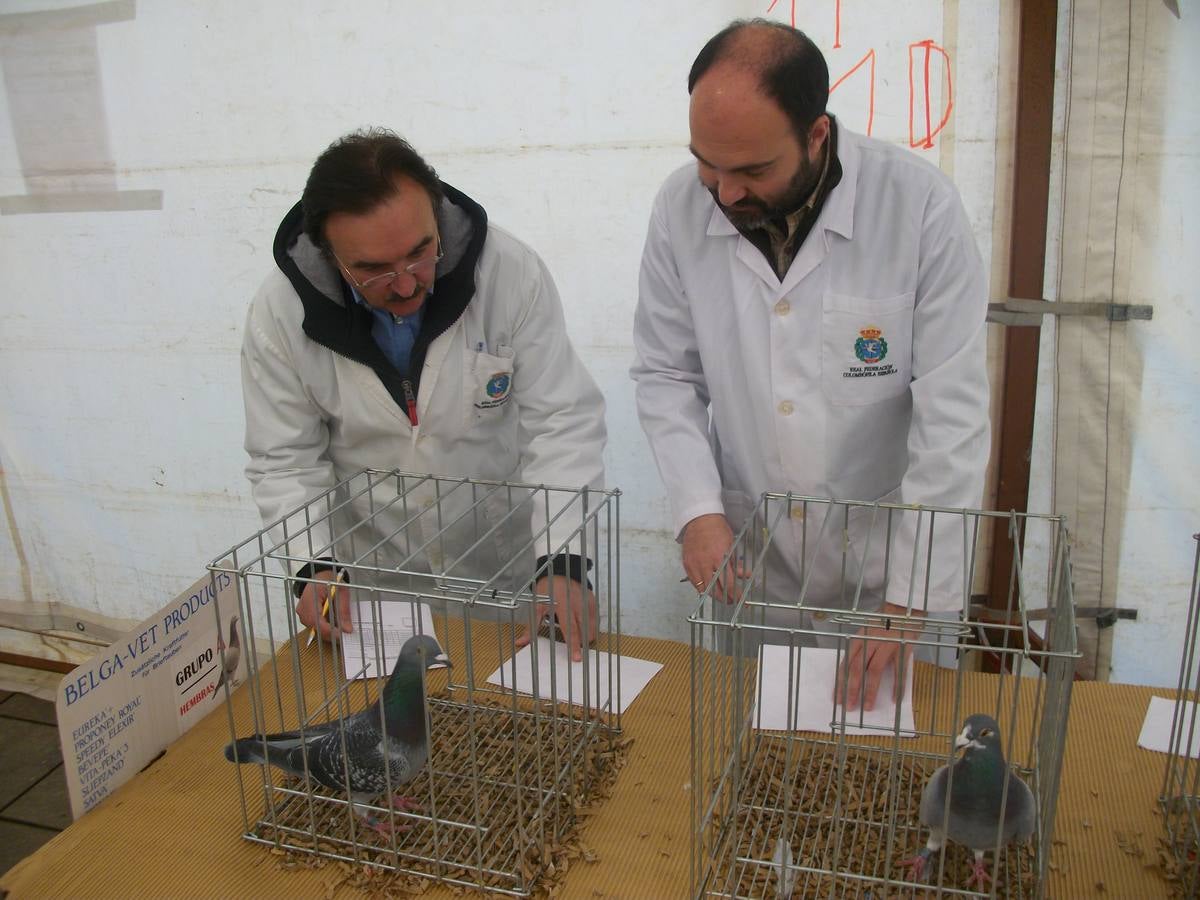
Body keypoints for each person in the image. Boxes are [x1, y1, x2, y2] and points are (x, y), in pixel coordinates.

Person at [631, 20, 990, 709]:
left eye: (753, 170)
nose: (725, 192)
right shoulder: (681, 207)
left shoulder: (917, 206)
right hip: (755, 557)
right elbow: (666, 374)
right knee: (755, 746)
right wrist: (699, 511)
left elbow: (953, 412)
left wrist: (911, 599)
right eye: (708, 161)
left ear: (816, 135)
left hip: (884, 564)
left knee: (884, 766)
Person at [242, 128, 606, 660]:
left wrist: (565, 561)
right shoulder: (280, 315)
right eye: (372, 270)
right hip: (374, 585)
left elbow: (563, 423)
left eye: (420, 253)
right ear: (328, 251)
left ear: (436, 214)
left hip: (505, 573)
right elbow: (284, 459)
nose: (408, 284)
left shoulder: (509, 272)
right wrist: (311, 565)